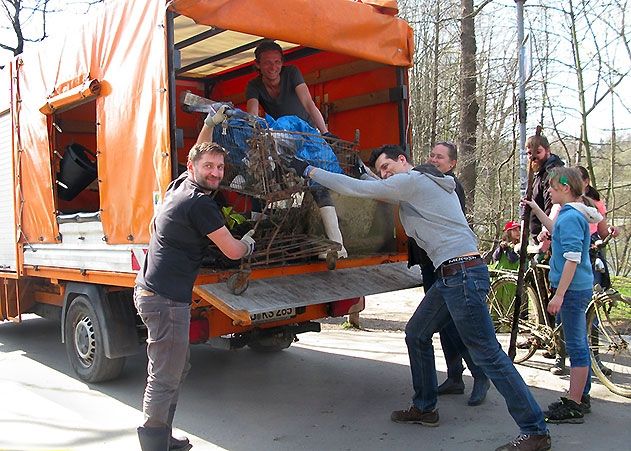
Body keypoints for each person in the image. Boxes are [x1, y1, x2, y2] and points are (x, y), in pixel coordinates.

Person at [286, 145, 551, 451]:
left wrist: (308, 169)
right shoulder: (424, 181)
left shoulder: (413, 180)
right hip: (453, 275)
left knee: (488, 354)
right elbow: (376, 186)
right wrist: (365, 169)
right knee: (417, 333)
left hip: (461, 275)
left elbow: (358, 189)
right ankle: (425, 407)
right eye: (382, 170)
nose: (386, 174)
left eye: (388, 166)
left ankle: (534, 430)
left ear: (403, 160)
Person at [134, 140, 256, 451]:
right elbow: (231, 251)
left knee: (178, 367)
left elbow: (199, 146)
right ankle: (153, 443)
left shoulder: (180, 185)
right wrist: (248, 243)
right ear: (193, 168)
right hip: (166, 299)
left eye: (220, 167)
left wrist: (211, 125)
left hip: (154, 290)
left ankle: (163, 436)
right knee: (164, 376)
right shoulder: (200, 203)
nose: (216, 172)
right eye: (209, 167)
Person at [244, 39, 346, 258]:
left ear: (282, 63)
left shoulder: (292, 73)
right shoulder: (254, 86)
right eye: (267, 63)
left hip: (306, 136)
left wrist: (325, 133)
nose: (273, 67)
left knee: (317, 184)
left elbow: (309, 103)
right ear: (258, 65)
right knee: (260, 182)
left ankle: (338, 245)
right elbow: (252, 114)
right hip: (282, 141)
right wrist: (254, 135)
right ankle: (254, 240)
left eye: (277, 62)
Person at [410, 142, 489, 406]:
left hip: (451, 266)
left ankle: (480, 375)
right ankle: (454, 376)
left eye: (440, 157)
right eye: (431, 155)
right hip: (430, 265)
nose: (433, 160)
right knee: (441, 326)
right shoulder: (423, 180)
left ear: (452, 164)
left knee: (457, 324)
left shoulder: (450, 186)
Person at [523, 167, 603, 424]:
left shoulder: (570, 218)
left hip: (572, 289)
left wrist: (559, 295)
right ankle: (581, 395)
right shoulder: (573, 214)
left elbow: (571, 259)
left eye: (553, 187)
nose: (549, 190)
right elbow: (555, 229)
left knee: (577, 346)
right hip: (577, 287)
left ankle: (574, 404)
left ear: (566, 188)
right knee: (577, 343)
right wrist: (536, 209)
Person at [526, 127, 564, 242]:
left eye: (538, 152)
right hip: (538, 236)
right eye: (529, 153)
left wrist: (546, 232)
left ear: (547, 150)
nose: (533, 157)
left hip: (548, 237)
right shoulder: (538, 174)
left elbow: (552, 204)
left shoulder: (553, 173)